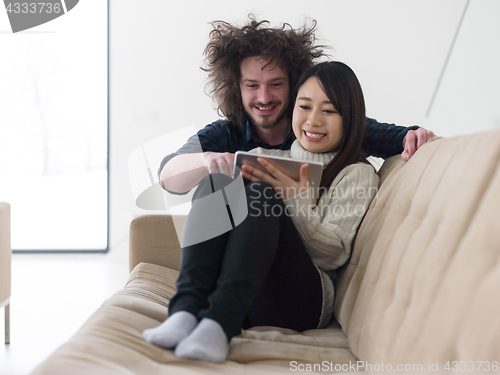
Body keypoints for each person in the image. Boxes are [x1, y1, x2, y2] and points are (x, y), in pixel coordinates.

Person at [143, 60, 380, 363]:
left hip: (304, 303)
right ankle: (186, 311)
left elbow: (332, 255)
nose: (313, 120)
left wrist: (293, 198)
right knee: (218, 178)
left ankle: (220, 322)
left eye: (329, 111)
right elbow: (173, 176)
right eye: (304, 107)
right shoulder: (263, 156)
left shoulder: (356, 173)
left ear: (351, 118)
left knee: (261, 189)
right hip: (253, 296)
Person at [158, 17, 436, 194]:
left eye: (276, 84)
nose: (264, 97)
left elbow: (395, 137)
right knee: (211, 187)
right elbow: (168, 175)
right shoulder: (227, 133)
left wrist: (414, 136)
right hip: (250, 247)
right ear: (237, 88)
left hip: (303, 257)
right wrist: (206, 160)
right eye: (252, 85)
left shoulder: (319, 125)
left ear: (294, 84)